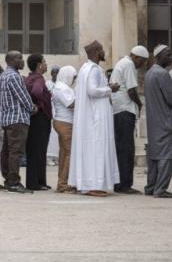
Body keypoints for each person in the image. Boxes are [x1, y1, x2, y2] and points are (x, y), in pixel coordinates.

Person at [69, 40, 120, 197]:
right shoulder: (94, 70)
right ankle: (94, 185)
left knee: (92, 149)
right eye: (103, 50)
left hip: (92, 116)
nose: (104, 52)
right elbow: (92, 91)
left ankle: (88, 184)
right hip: (96, 118)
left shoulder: (86, 69)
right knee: (97, 148)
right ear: (97, 52)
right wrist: (109, 88)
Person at [111, 45, 149, 194]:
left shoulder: (122, 63)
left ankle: (119, 183)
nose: (142, 65)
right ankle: (125, 185)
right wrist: (140, 104)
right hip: (125, 110)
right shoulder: (128, 65)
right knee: (127, 149)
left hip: (118, 111)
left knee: (121, 148)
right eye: (143, 61)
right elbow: (132, 90)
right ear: (136, 57)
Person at [0, 51, 35, 194]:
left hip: (8, 119)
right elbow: (23, 96)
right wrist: (32, 107)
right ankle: (14, 183)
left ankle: (8, 180)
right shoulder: (13, 76)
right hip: (17, 119)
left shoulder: (4, 75)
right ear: (11, 61)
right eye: (19, 58)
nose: (22, 61)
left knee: (8, 151)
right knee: (16, 152)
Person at [144, 45, 172, 198]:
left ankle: (151, 187)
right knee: (167, 156)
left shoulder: (149, 73)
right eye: (168, 55)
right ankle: (160, 190)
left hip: (154, 121)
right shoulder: (162, 74)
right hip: (166, 121)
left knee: (155, 156)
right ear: (158, 56)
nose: (170, 58)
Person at [25, 54, 52, 191]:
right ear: (39, 65)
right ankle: (36, 183)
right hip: (40, 118)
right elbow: (36, 92)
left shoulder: (29, 78)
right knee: (39, 150)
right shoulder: (39, 79)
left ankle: (38, 181)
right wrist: (40, 104)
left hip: (33, 118)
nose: (46, 64)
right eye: (44, 62)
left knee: (34, 150)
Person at [51, 65, 77, 194]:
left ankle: (62, 181)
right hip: (65, 122)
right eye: (73, 77)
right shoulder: (61, 87)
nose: (74, 79)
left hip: (62, 122)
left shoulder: (62, 86)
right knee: (69, 153)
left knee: (64, 153)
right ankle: (62, 183)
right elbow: (71, 104)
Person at [46, 65, 60, 166]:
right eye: (54, 72)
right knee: (51, 136)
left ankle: (57, 157)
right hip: (50, 113)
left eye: (57, 72)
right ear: (51, 73)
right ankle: (49, 157)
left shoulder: (61, 85)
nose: (55, 74)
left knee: (58, 136)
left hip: (59, 114)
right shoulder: (47, 84)